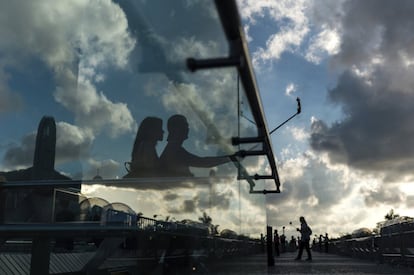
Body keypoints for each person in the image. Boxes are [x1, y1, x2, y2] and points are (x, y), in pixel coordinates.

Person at [160, 114, 240, 177]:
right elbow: (203, 162)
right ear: (175, 129)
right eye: (185, 126)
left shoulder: (173, 148)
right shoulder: (174, 150)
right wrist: (230, 158)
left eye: (187, 126)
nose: (188, 129)